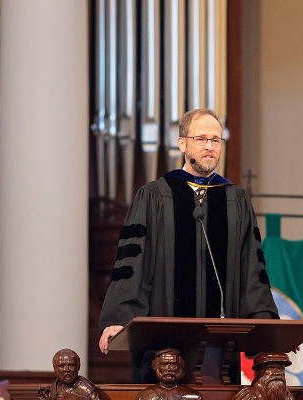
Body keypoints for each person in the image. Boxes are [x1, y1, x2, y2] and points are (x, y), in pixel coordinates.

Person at [98, 108, 279, 383]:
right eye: (201, 139)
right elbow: (133, 263)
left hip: (218, 347)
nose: (209, 147)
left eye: (216, 140)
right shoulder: (154, 196)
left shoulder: (236, 200)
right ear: (182, 144)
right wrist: (118, 317)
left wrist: (267, 329)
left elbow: (252, 270)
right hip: (163, 345)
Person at [136, 348, 202, 400]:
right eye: (164, 364)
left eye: (173, 365)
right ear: (156, 368)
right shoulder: (144, 396)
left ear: (180, 368)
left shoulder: (194, 397)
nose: (169, 369)